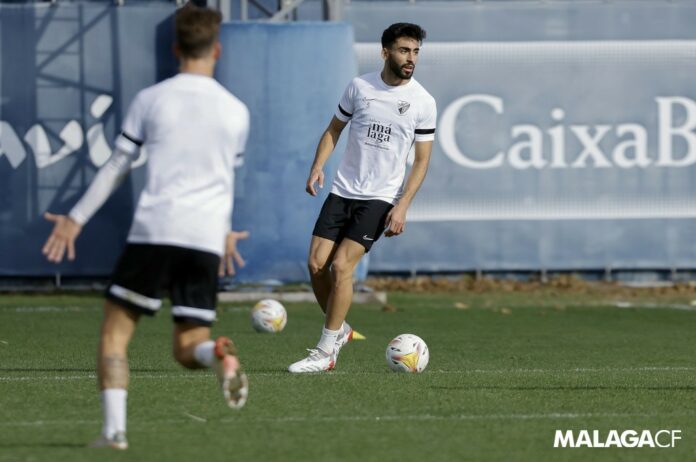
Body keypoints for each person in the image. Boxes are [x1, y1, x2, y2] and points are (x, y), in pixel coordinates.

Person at [41, 3, 250, 449]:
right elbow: (228, 180)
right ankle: (214, 353)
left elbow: (118, 165)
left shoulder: (152, 99)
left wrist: (75, 219)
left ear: (176, 48)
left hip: (156, 231)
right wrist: (226, 232)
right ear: (218, 50)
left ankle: (115, 431)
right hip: (204, 240)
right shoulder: (236, 111)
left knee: (116, 335)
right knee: (187, 347)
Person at [288, 23, 437, 373]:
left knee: (341, 267)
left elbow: (422, 160)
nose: (410, 58)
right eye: (404, 50)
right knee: (316, 265)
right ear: (385, 52)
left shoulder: (423, 102)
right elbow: (333, 130)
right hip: (342, 190)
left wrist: (402, 205)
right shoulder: (359, 87)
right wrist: (317, 166)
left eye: (415, 51)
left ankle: (325, 352)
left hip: (380, 197)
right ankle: (339, 330)